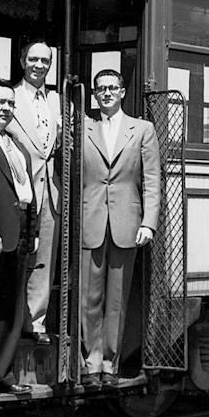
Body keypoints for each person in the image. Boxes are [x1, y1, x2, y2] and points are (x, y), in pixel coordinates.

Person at [79, 69, 160, 387]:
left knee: (116, 299)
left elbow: (152, 181)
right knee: (90, 298)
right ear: (95, 94)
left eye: (112, 88)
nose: (107, 93)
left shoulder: (142, 130)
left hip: (127, 225)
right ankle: (91, 362)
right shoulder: (84, 128)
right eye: (101, 89)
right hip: (91, 222)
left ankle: (110, 364)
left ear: (123, 92)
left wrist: (148, 223)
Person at [0, 78, 38, 394]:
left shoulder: (13, 142)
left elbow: (27, 190)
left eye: (11, 103)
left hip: (19, 236)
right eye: (0, 102)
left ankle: (2, 373)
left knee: (10, 310)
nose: (6, 108)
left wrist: (34, 230)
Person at [7, 37, 61, 340]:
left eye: (45, 61)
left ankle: (36, 322)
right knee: (19, 256)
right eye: (33, 60)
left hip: (51, 189)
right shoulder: (10, 97)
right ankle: (14, 320)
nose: (39, 65)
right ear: (23, 62)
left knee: (45, 258)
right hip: (21, 189)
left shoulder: (57, 100)